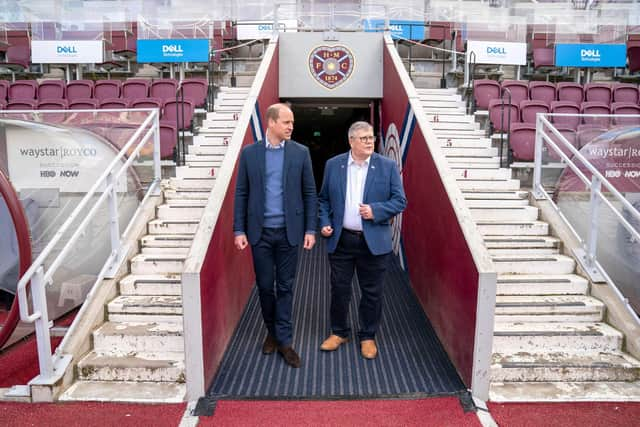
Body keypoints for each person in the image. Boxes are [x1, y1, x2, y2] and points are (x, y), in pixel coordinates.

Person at [233, 103, 317, 368]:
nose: (291, 126)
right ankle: (272, 331)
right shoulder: (249, 154)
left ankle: (285, 341)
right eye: (286, 122)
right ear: (270, 123)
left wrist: (310, 229)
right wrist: (239, 229)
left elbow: (310, 193)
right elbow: (241, 193)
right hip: (260, 234)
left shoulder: (301, 153)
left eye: (292, 122)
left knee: (286, 287)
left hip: (290, 233)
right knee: (265, 286)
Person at [318, 121, 406, 359]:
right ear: (351, 141)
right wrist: (325, 221)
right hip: (342, 241)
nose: (370, 142)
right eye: (364, 138)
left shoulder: (386, 166)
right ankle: (339, 332)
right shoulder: (333, 165)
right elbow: (323, 199)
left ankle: (367, 336)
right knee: (339, 290)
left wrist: (375, 210)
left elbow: (400, 201)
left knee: (372, 292)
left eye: (371, 138)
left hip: (374, 242)